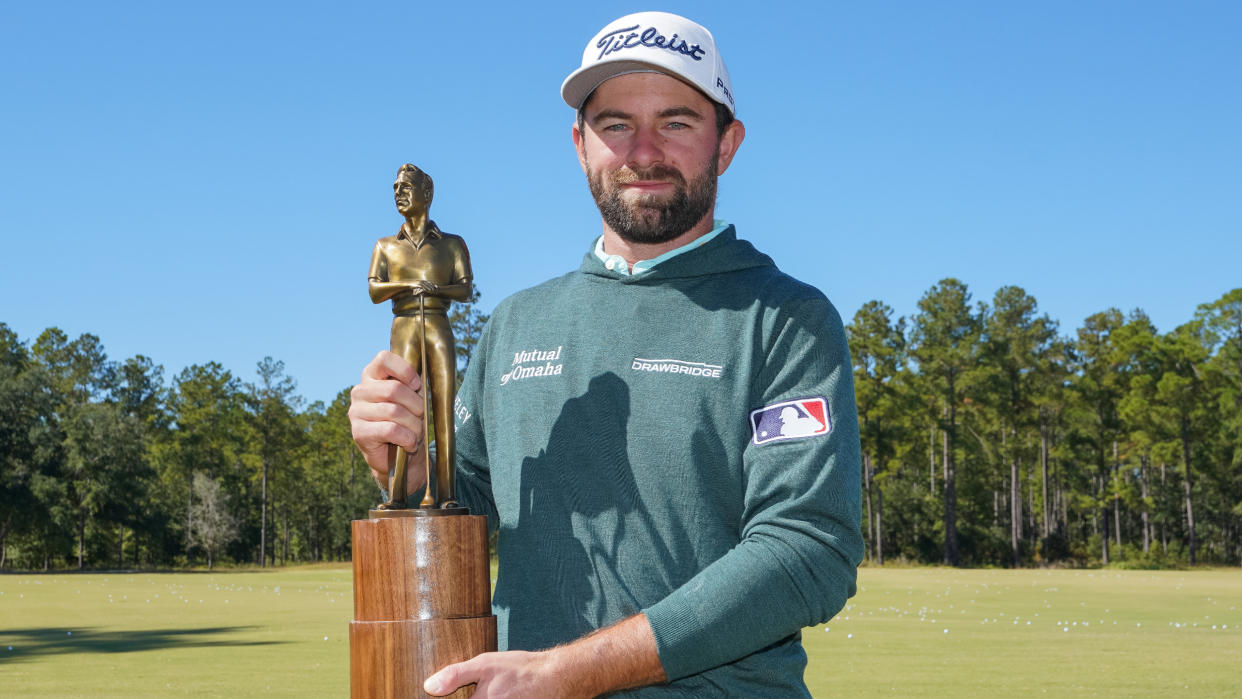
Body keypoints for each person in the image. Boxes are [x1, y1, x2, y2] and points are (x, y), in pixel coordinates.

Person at [349, 11, 863, 697]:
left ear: (728, 143)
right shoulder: (515, 324)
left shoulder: (785, 321)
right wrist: (404, 464)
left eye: (676, 122)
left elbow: (807, 552)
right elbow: (466, 502)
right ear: (579, 142)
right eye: (615, 124)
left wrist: (569, 671)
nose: (643, 150)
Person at [367, 163, 473, 507]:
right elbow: (374, 290)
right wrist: (410, 286)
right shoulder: (385, 246)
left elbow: (465, 289)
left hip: (438, 324)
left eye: (406, 187)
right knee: (402, 406)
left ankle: (446, 494)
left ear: (426, 194)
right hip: (405, 324)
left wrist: (436, 289)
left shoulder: (452, 245)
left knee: (444, 408)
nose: (398, 192)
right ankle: (397, 496)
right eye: (395, 187)